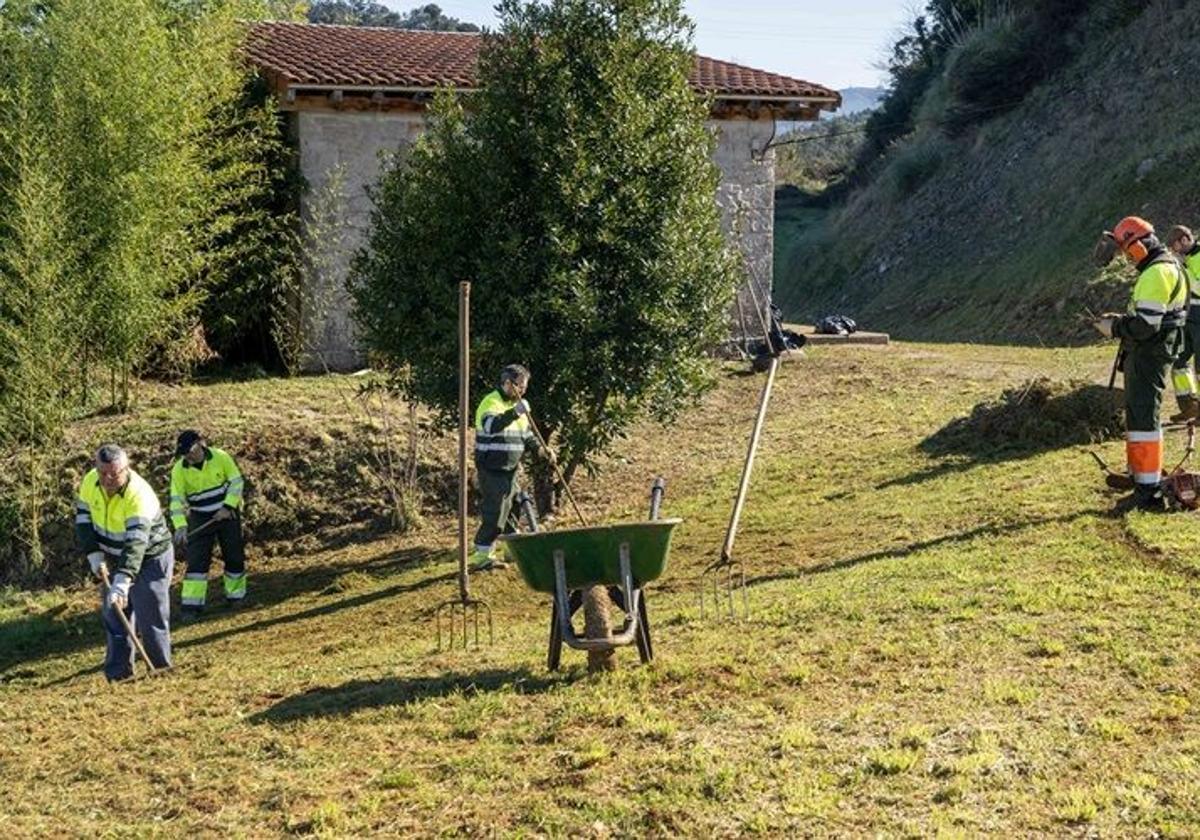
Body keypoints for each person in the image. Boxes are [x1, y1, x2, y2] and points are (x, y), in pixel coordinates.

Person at [1094, 217, 1188, 509]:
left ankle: (1148, 492)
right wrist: (1122, 322)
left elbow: (1147, 325)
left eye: (1125, 251)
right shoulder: (1165, 266)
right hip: (1153, 349)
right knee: (1138, 413)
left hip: (1150, 350)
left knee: (1144, 415)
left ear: (1138, 245)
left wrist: (1115, 328)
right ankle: (1141, 475)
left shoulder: (1156, 273)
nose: (1125, 257)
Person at [75, 444, 174, 681]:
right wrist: (94, 555)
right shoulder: (90, 481)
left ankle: (160, 669)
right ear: (96, 468)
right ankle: (119, 675)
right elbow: (83, 519)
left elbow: (136, 544)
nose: (108, 479)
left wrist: (123, 580)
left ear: (126, 468)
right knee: (115, 614)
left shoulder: (139, 495)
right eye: (103, 473)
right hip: (113, 555)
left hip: (150, 556)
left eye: (115, 474)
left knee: (150, 616)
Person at [470, 364, 555, 571]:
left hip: (511, 469)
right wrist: (515, 412)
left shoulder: (519, 407)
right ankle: (482, 558)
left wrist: (542, 450)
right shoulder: (491, 402)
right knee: (496, 512)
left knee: (514, 509)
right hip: (492, 469)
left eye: (525, 387)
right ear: (508, 383)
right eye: (520, 386)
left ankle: (512, 552)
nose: (523, 391)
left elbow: (526, 435)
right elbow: (491, 426)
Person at [169, 430, 247, 618]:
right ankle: (191, 606)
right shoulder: (179, 469)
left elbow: (236, 482)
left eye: (190, 450)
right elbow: (176, 500)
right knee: (196, 560)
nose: (188, 455)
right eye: (184, 453)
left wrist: (227, 507)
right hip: (200, 516)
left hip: (227, 514)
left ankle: (236, 597)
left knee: (234, 555)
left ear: (200, 444)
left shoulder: (221, 457)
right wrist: (180, 525)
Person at [1166, 225, 1200, 422]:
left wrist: (1183, 268)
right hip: (1188, 318)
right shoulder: (1185, 260)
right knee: (1178, 361)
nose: (1174, 251)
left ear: (1185, 239)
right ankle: (1190, 406)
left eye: (1176, 246)